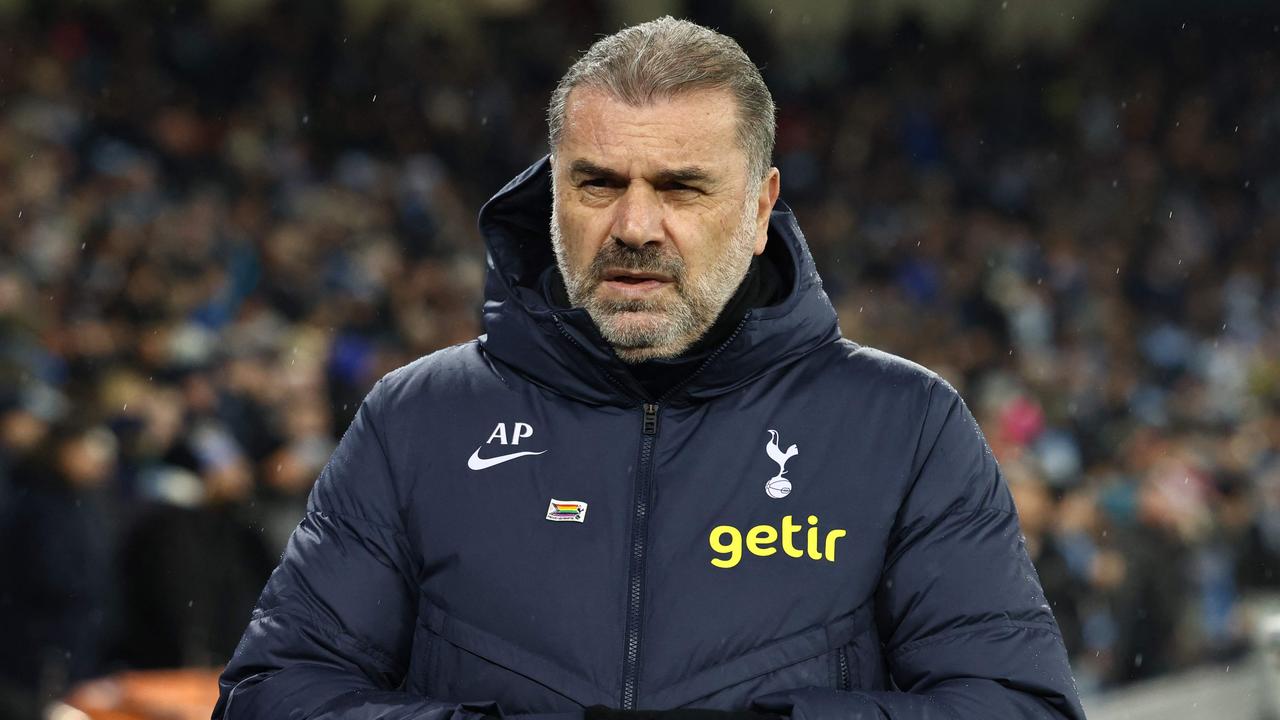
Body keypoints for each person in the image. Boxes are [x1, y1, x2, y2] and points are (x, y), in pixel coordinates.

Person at [214, 17, 1084, 720]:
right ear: (552, 194)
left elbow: (1018, 705)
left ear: (759, 208)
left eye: (679, 187)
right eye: (597, 184)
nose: (634, 224)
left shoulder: (905, 428)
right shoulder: (416, 421)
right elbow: (272, 695)